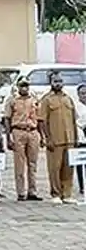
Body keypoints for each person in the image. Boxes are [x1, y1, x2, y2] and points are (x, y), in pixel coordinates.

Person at [38, 71, 77, 204]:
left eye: (60, 81)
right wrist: (47, 138)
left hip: (69, 139)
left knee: (68, 167)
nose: (58, 84)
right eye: (55, 81)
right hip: (55, 140)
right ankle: (56, 193)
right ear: (50, 83)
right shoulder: (46, 99)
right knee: (55, 168)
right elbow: (42, 121)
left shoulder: (68, 98)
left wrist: (75, 138)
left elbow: (73, 120)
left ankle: (67, 194)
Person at [3, 78, 41, 201]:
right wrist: (8, 137)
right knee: (19, 163)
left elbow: (39, 118)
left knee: (33, 163)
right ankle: (21, 192)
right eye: (22, 85)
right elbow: (7, 119)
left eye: (26, 85)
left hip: (32, 131)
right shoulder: (12, 100)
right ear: (18, 86)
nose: (24, 88)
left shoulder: (34, 99)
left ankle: (32, 191)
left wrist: (42, 136)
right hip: (18, 131)